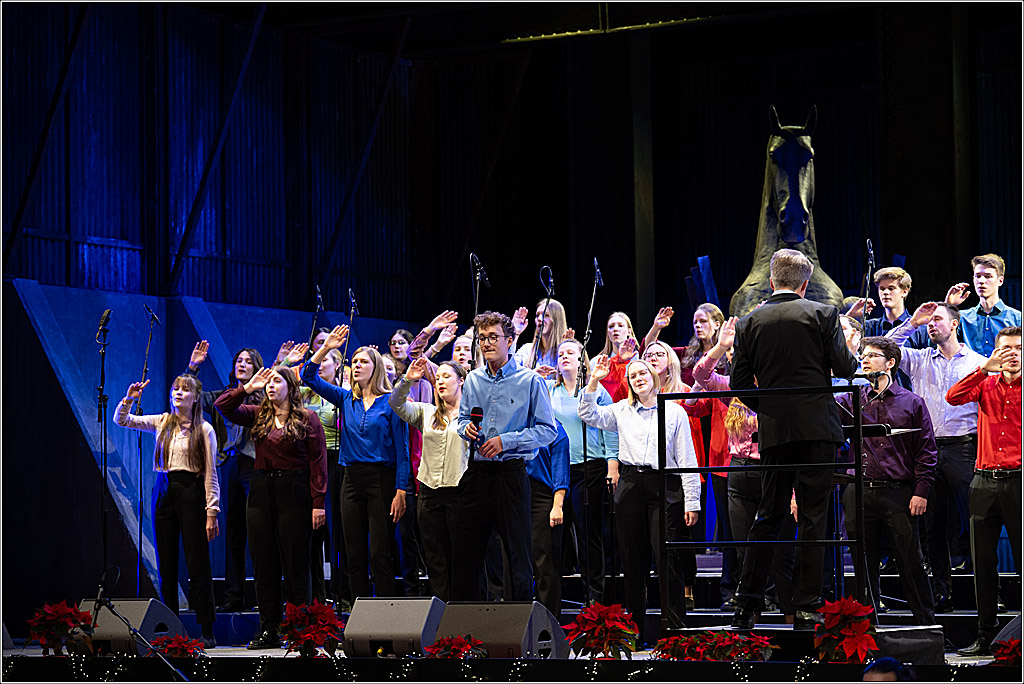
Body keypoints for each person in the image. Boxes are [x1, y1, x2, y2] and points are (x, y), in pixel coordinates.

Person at [729, 248, 858, 631]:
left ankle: (745, 603)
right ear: (805, 283)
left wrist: (769, 406)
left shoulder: (749, 322)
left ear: (771, 281)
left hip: (775, 432)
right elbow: (846, 367)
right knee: (814, 517)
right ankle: (806, 606)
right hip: (817, 430)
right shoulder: (822, 313)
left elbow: (738, 384)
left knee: (768, 516)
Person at [579, 354, 700, 636]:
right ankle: (633, 632)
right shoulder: (621, 410)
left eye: (643, 373)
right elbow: (588, 414)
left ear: (654, 376)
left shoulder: (674, 411)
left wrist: (692, 500)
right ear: (629, 383)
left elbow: (687, 458)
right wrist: (594, 380)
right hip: (631, 484)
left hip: (664, 485)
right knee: (633, 562)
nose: (638, 378)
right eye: (633, 376)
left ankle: (674, 631)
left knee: (666, 559)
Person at [214, 366, 328, 649]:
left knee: (295, 563)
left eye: (276, 381)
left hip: (295, 490)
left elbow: (318, 462)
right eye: (268, 383)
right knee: (264, 563)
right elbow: (222, 406)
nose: (270, 386)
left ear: (291, 387)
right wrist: (247, 387)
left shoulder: (307, 418)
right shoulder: (258, 415)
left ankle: (300, 629)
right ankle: (269, 629)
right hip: (262, 490)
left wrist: (318, 503)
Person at [451, 311, 558, 603]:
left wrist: (506, 442)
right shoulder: (472, 380)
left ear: (509, 341)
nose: (486, 343)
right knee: (466, 556)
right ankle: (466, 634)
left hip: (511, 474)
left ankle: (519, 632)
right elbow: (461, 419)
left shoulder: (530, 381)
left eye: (493, 337)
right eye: (482, 338)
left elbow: (548, 431)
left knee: (518, 557)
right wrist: (466, 429)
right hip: (477, 473)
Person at [885, 302, 986, 611]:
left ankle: (986, 592)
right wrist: (912, 323)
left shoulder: (977, 362)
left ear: (954, 325)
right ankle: (941, 593)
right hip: (927, 450)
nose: (932, 324)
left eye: (937, 319)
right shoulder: (918, 360)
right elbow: (884, 349)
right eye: (929, 321)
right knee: (933, 527)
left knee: (976, 523)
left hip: (963, 448)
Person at [302, 326, 410, 601]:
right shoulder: (345, 398)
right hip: (350, 479)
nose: (357, 365)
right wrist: (326, 348)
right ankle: (359, 618)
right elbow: (308, 376)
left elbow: (402, 450)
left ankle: (387, 617)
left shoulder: (391, 402)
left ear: (376, 369)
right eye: (355, 361)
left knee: (380, 554)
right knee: (354, 554)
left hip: (382, 480)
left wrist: (401, 491)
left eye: (364, 361)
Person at [114, 375, 219, 648]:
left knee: (197, 563)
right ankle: (172, 629)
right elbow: (123, 420)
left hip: (191, 491)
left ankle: (206, 629)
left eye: (185, 390)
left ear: (196, 397)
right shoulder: (162, 422)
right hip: (163, 490)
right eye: (175, 389)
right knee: (167, 564)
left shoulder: (204, 429)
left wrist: (212, 511)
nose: (178, 393)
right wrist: (129, 400)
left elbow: (210, 472)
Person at [839, 336, 937, 625]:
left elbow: (927, 451)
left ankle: (927, 626)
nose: (865, 360)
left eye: (872, 356)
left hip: (898, 493)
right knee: (863, 566)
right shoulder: (850, 400)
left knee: (910, 563)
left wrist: (921, 491)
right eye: (863, 356)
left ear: (890, 363)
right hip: (858, 492)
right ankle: (865, 630)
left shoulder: (912, 402)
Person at [947, 326, 1022, 656]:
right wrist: (982, 370)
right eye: (1006, 349)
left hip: (1020, 481)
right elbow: (952, 397)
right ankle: (985, 634)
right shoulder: (986, 383)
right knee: (983, 563)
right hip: (983, 481)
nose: (1013, 354)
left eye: (1019, 348)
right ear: (996, 352)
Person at [184, 343, 263, 613]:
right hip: (229, 464)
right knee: (234, 533)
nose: (241, 364)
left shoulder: (263, 398)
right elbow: (194, 397)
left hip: (253, 465)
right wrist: (193, 367)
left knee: (257, 531)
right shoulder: (225, 396)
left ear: (256, 368)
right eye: (238, 360)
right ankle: (234, 596)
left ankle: (263, 596)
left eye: (248, 361)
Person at [388, 357, 469, 601]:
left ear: (461, 381)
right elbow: (396, 403)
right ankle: (441, 616)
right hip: (429, 492)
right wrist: (408, 379)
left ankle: (463, 613)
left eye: (447, 377)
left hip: (459, 493)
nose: (441, 382)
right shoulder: (427, 412)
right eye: (438, 378)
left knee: (461, 557)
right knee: (435, 558)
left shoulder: (471, 416)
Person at [547, 338, 618, 605]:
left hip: (590, 468)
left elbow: (609, 427)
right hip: (557, 469)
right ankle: (553, 601)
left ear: (581, 360)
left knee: (588, 534)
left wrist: (613, 463)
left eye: (570, 353)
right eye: (560, 353)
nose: (564, 356)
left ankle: (595, 601)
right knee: (557, 537)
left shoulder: (596, 391)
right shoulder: (548, 390)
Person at [525, 421, 570, 620]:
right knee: (514, 563)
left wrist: (557, 505)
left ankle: (548, 624)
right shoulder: (514, 422)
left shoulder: (555, 428)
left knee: (546, 562)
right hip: (514, 492)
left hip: (543, 497)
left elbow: (560, 470)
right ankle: (515, 625)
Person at [945, 254, 1023, 357]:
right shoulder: (962, 318)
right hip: (971, 372)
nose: (981, 281)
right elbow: (939, 344)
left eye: (988, 276)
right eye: (978, 276)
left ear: (1000, 281)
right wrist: (947, 307)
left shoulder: (1017, 318)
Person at [515, 298, 568, 377]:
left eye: (546, 315)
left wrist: (569, 347)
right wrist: (515, 333)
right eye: (537, 315)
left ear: (556, 320)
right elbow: (508, 372)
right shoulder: (526, 350)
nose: (539, 319)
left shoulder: (563, 353)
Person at [593, 312, 640, 402]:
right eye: (611, 326)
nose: (615, 329)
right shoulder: (598, 362)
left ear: (629, 331)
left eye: (620, 325)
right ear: (607, 332)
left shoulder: (640, 360)